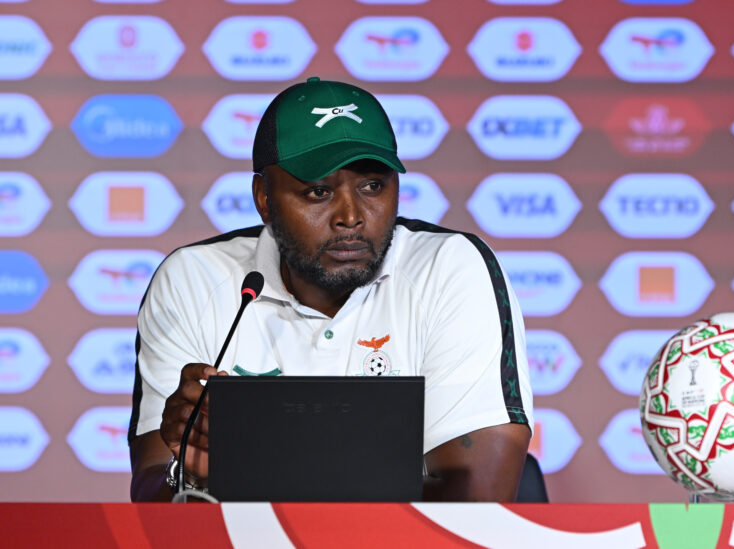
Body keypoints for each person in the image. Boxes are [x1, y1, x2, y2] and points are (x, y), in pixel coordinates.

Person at [128, 77, 533, 502]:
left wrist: (258, 477)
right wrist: (190, 474)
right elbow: (152, 497)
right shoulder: (192, 279)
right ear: (264, 197)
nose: (352, 216)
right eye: (319, 191)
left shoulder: (450, 268)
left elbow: (477, 505)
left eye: (373, 186)